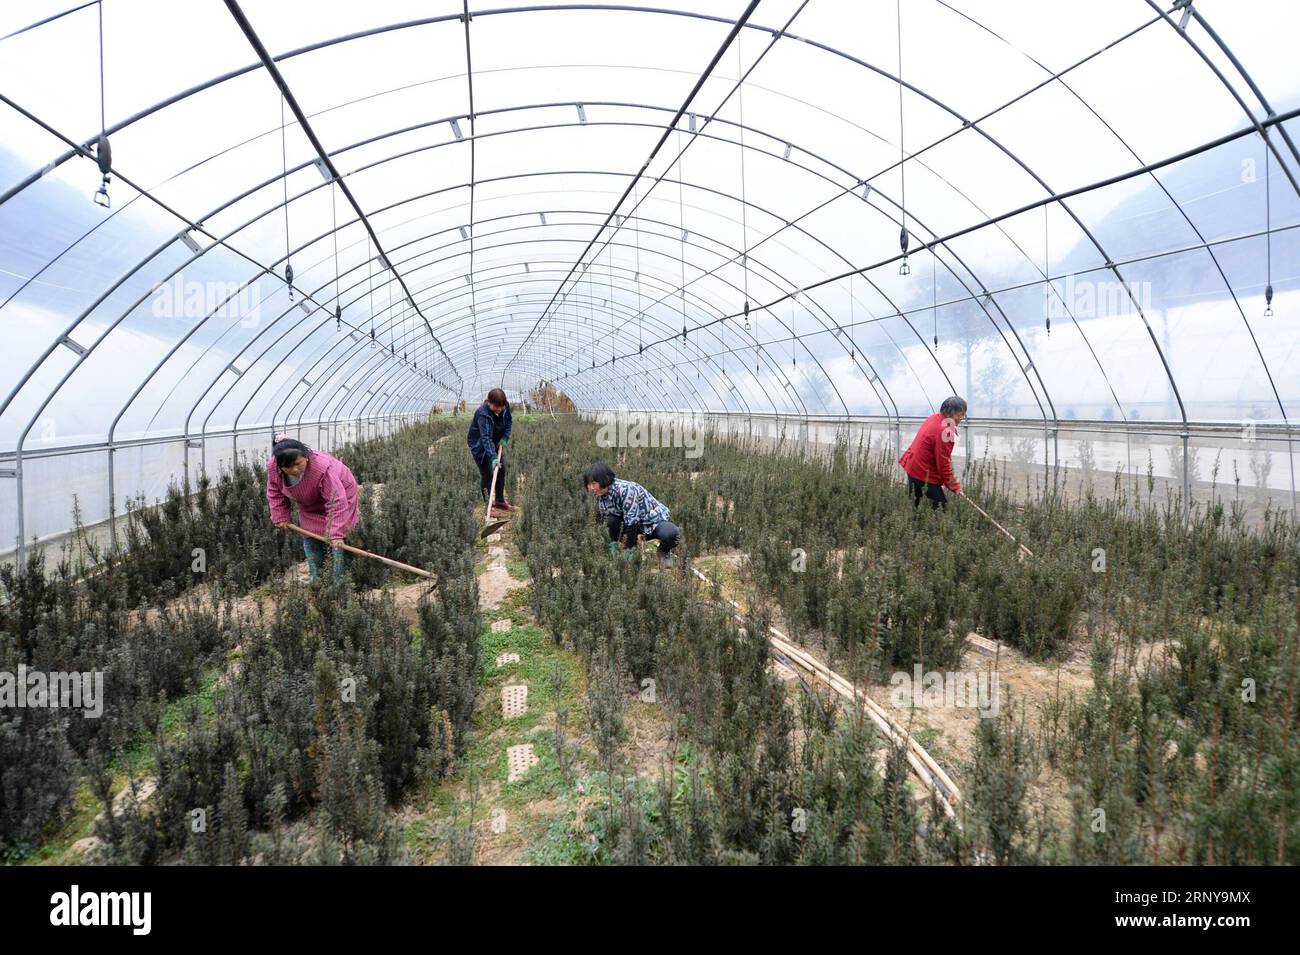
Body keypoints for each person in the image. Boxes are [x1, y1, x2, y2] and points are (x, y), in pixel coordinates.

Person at [266, 436, 360, 581]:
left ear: (307, 457)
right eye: (287, 467)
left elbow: (337, 501)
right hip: (308, 500)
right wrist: (281, 516)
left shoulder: (321, 468)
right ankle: (318, 577)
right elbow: (274, 491)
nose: (294, 470)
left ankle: (341, 579)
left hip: (341, 492)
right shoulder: (274, 466)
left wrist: (336, 534)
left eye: (298, 464)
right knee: (310, 531)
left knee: (339, 535)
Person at [583, 461, 680, 567]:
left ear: (604, 480)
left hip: (652, 521)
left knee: (672, 534)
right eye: (588, 484)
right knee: (609, 522)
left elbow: (632, 521)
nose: (590, 488)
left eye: (593, 484)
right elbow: (604, 520)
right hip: (630, 525)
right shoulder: (600, 495)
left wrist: (629, 550)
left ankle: (663, 551)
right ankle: (616, 554)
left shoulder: (626, 490)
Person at [899, 396, 966, 510]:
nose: (961, 418)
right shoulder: (946, 431)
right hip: (923, 473)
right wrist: (955, 487)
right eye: (959, 415)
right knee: (941, 510)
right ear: (950, 414)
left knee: (917, 506)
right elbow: (943, 462)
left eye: (963, 415)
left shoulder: (934, 418)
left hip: (913, 467)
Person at [467, 388, 514, 517]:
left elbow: (509, 421)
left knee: (501, 470)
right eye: (496, 407)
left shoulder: (505, 406)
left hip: (496, 441)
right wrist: (493, 457)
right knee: (487, 474)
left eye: (501, 407)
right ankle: (488, 506)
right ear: (489, 402)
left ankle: (499, 500)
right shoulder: (483, 414)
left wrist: (505, 437)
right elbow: (485, 438)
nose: (499, 409)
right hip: (480, 445)